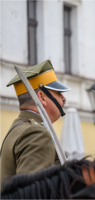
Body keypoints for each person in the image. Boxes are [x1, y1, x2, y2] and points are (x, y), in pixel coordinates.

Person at [0, 60, 70, 188]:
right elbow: (34, 193)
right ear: (42, 97)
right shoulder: (36, 133)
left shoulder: (19, 127)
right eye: (58, 93)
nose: (64, 98)